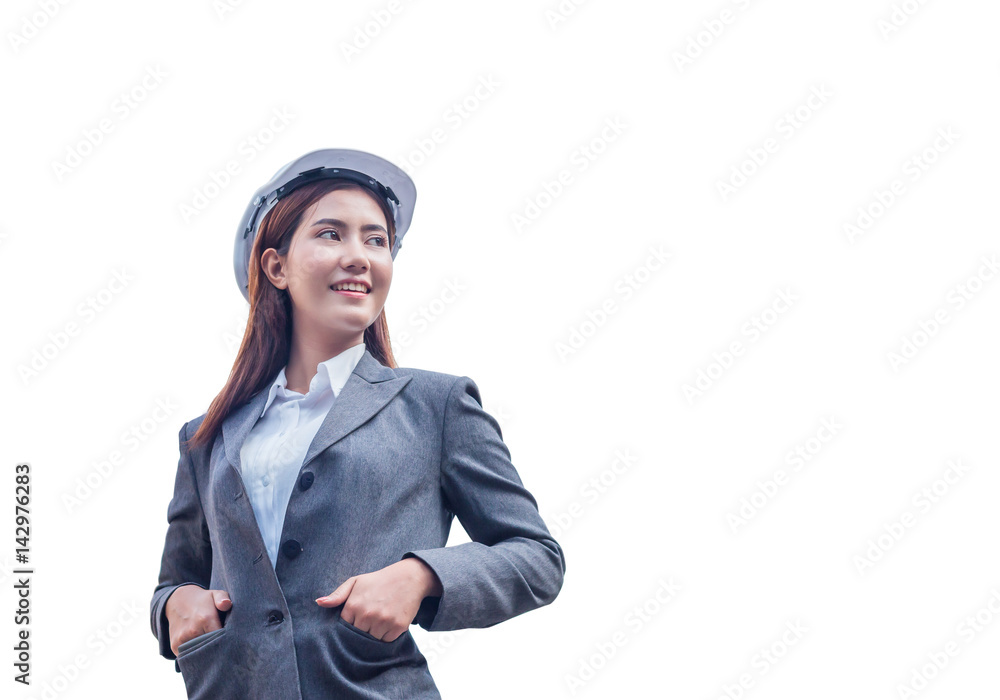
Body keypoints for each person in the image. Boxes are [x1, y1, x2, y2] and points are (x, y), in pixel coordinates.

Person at [148, 148, 566, 699]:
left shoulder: (436, 405)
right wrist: (175, 607)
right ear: (276, 267)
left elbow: (536, 557)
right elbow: (175, 582)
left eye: (376, 241)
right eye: (331, 234)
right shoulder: (206, 436)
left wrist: (421, 577)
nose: (360, 256)